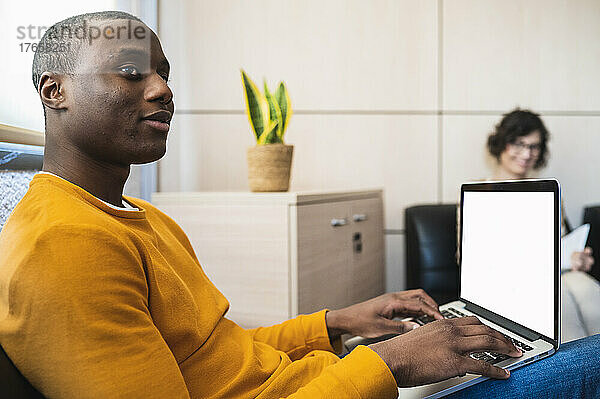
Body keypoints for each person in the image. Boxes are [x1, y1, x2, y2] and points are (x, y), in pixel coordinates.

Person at [0, 11, 597, 399]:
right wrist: (394, 365)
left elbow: (222, 354)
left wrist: (338, 324)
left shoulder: (138, 217)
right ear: (56, 92)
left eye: (163, 72)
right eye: (131, 73)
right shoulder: (65, 244)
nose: (161, 89)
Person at [485, 108, 600, 342]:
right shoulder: (479, 194)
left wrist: (577, 257)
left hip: (557, 273)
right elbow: (474, 259)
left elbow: (564, 243)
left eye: (534, 146)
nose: (526, 153)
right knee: (560, 299)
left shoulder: (550, 191)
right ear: (502, 144)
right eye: (518, 143)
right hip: (512, 281)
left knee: (588, 289)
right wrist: (562, 260)